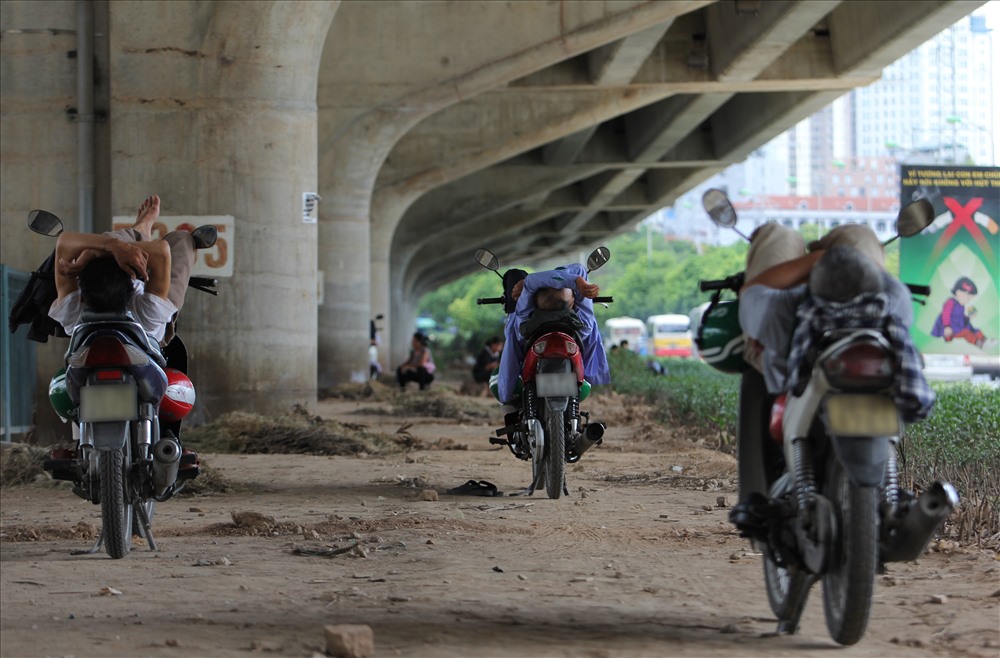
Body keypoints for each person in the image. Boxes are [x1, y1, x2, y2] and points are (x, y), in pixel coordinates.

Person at [730, 222, 934, 533]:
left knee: (777, 235)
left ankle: (767, 479)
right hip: (871, 360)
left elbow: (750, 291)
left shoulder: (783, 307)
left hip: (797, 368)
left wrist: (818, 261)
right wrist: (850, 258)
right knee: (860, 234)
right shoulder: (897, 300)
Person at [496, 263, 609, 405]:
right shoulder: (584, 323)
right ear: (573, 298)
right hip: (573, 331)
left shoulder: (522, 323)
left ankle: (508, 397)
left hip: (534, 330)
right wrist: (577, 281)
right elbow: (569, 275)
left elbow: (510, 362)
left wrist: (524, 284)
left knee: (513, 346)